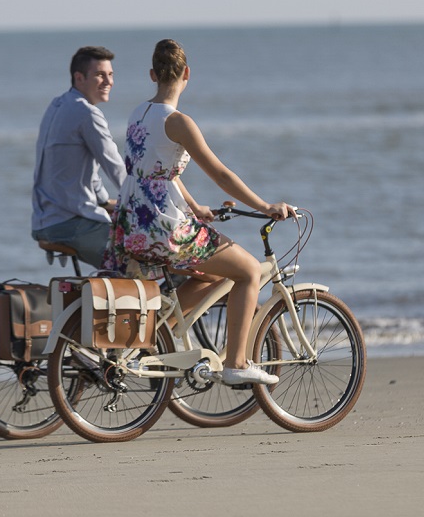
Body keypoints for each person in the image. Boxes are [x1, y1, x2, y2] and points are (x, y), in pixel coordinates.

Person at [105, 39, 295, 386]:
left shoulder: (138, 113)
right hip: (164, 226)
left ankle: (162, 336)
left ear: (152, 75)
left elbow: (157, 172)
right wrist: (266, 206)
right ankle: (237, 363)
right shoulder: (178, 122)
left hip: (133, 222)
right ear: (187, 74)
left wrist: (195, 208)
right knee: (250, 271)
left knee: (213, 276)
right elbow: (221, 174)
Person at [31, 46, 126, 269]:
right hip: (71, 223)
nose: (108, 81)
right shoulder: (87, 113)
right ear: (79, 77)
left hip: (45, 221)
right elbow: (116, 169)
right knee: (149, 256)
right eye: (100, 74)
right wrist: (149, 202)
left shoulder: (57, 105)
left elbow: (84, 170)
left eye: (111, 74)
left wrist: (103, 201)